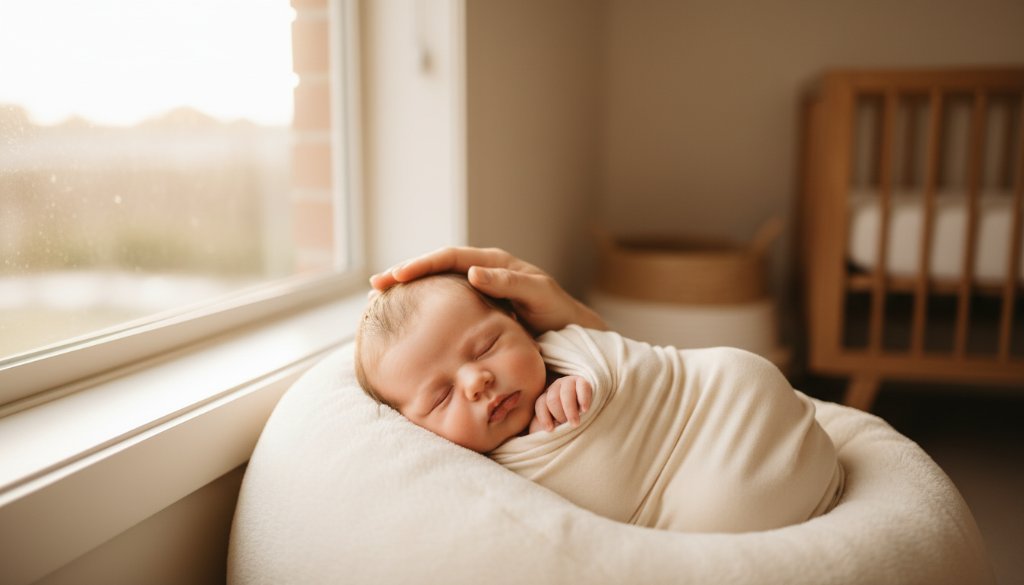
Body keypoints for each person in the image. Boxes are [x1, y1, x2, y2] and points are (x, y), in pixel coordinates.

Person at [361, 247, 844, 533]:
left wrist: (574, 386)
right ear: (413, 426)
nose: (476, 381)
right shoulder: (476, 477)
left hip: (729, 400)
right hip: (720, 498)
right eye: (441, 397)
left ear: (520, 322)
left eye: (487, 345)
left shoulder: (563, 348)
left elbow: (624, 367)